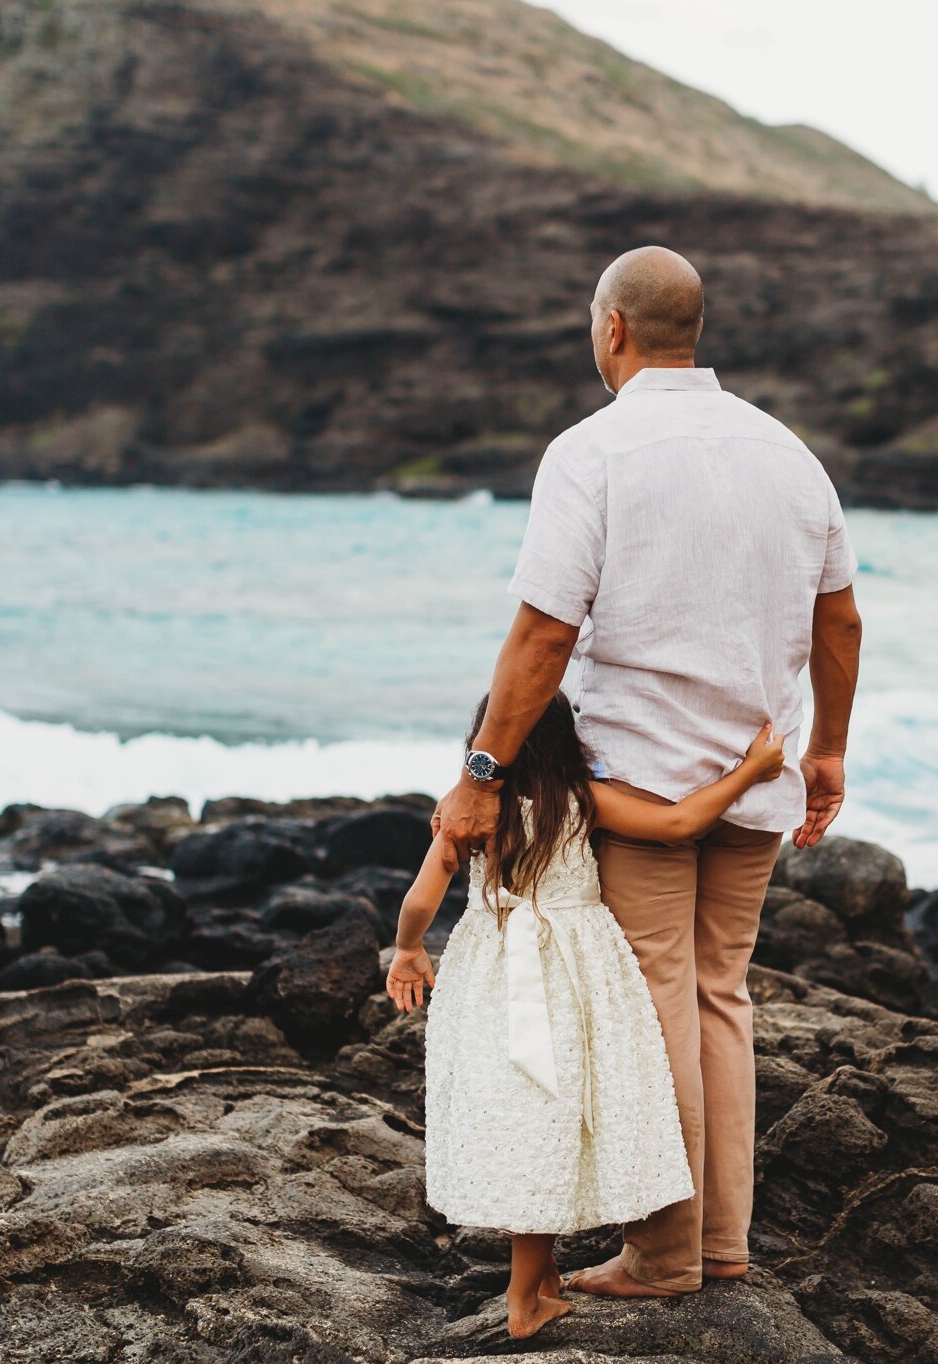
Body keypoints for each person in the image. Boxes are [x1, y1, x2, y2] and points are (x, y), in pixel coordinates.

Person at [433, 245, 864, 1296]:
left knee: (656, 1000)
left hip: (640, 788)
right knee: (721, 995)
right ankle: (722, 1245)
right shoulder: (787, 454)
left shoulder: (591, 454)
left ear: (611, 329)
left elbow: (540, 635)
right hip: (755, 781)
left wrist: (484, 770)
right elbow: (840, 616)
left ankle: (665, 1253)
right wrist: (826, 750)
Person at [385, 693, 787, 1339]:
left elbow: (419, 900)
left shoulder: (469, 813)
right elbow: (681, 825)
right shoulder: (583, 800)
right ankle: (526, 1297)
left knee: (525, 1119)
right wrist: (750, 773)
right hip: (577, 979)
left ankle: (536, 1282)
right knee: (555, 1119)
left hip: (493, 978)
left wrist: (408, 952)